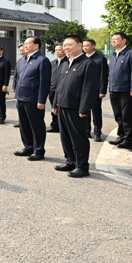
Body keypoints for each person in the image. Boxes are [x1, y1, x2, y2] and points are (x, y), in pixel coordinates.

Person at [53, 35, 100, 178]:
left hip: (76, 108)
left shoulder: (88, 64)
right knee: (65, 136)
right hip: (62, 105)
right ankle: (70, 161)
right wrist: (55, 103)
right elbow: (59, 85)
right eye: (64, 45)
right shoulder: (66, 63)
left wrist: (84, 108)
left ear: (80, 45)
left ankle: (82, 166)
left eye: (69, 44)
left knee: (78, 138)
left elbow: (89, 88)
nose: (66, 47)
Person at [13, 36, 51, 161]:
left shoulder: (42, 60)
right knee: (24, 125)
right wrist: (17, 95)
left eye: (28, 44)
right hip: (21, 97)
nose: (25, 46)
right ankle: (28, 147)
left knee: (36, 125)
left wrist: (41, 100)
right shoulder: (22, 60)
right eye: (24, 44)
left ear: (36, 46)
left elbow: (44, 82)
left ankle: (39, 150)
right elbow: (18, 78)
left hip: (33, 99)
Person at [108, 32, 132, 149]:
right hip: (113, 89)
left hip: (126, 91)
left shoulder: (131, 54)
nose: (113, 41)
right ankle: (121, 136)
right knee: (118, 115)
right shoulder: (113, 55)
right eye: (112, 39)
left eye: (116, 39)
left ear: (124, 40)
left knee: (126, 115)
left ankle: (128, 139)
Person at [82, 39, 109, 142]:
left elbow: (103, 76)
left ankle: (97, 132)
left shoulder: (100, 59)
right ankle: (86, 131)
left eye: (87, 45)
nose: (85, 47)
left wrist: (102, 90)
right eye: (83, 46)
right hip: (83, 90)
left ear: (93, 46)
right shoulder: (82, 58)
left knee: (96, 112)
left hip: (95, 90)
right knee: (84, 111)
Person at [47, 44, 68, 133]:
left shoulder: (67, 62)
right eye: (56, 50)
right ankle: (55, 126)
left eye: (59, 50)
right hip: (52, 89)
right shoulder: (52, 63)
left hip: (63, 90)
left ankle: (64, 127)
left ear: (64, 51)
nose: (57, 52)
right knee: (54, 108)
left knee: (62, 109)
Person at [12, 45, 27, 128]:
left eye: (23, 50)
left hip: (27, 88)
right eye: (20, 51)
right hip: (19, 87)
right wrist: (14, 86)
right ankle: (21, 121)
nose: (22, 52)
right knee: (19, 106)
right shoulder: (19, 61)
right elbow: (15, 75)